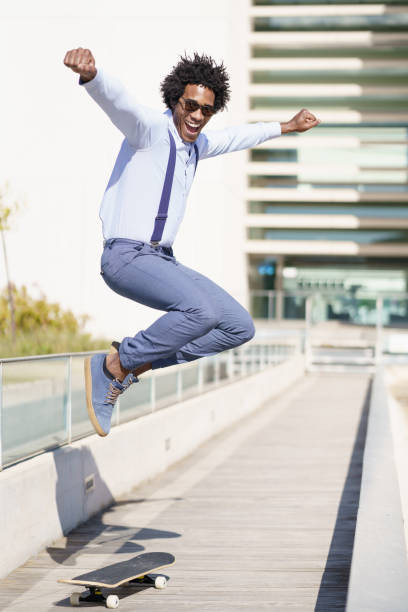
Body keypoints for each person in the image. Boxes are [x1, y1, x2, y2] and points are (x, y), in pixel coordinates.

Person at [63, 47, 321, 437]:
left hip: (162, 259)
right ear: (175, 101)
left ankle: (131, 366)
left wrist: (284, 127)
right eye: (191, 105)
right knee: (199, 310)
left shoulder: (196, 146)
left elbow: (236, 137)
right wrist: (92, 77)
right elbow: (120, 105)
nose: (198, 116)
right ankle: (114, 366)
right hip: (125, 255)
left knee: (237, 326)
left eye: (206, 110)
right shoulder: (148, 130)